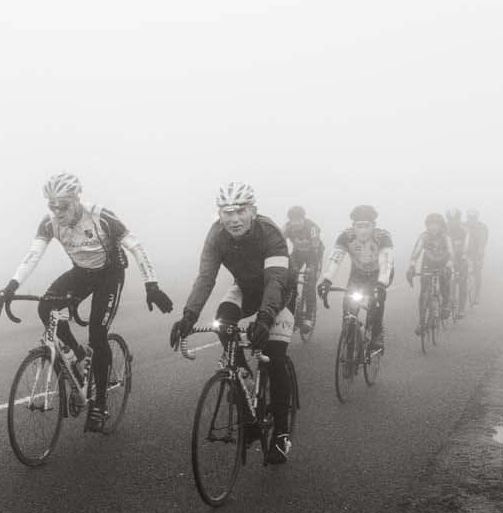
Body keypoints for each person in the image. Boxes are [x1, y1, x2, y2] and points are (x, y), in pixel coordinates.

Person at [0, 173, 174, 431]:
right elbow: (33, 255)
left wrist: (152, 285)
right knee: (45, 307)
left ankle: (100, 404)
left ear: (77, 200)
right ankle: (78, 356)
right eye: (51, 205)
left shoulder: (101, 217)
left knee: (98, 335)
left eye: (63, 205)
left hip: (109, 276)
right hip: (81, 272)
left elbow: (136, 246)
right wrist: (10, 286)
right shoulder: (50, 223)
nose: (57, 211)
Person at [168, 182, 295, 464]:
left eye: (241, 210)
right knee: (223, 321)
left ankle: (283, 435)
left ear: (253, 211)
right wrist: (188, 316)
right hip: (246, 288)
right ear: (219, 214)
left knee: (274, 358)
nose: (234, 218)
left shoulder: (269, 233)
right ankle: (242, 378)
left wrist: (264, 319)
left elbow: (275, 281)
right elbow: (205, 279)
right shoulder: (217, 235)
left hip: (280, 291)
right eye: (226, 212)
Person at [316, 204, 395, 353]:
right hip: (358, 273)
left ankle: (377, 333)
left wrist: (382, 283)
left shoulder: (383, 237)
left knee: (376, 300)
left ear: (374, 225)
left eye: (367, 225)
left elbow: (386, 262)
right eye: (359, 226)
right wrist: (327, 280)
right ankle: (350, 338)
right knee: (348, 307)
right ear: (353, 226)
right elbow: (335, 259)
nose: (363, 230)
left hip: (379, 273)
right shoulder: (346, 236)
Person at [405, 212, 457, 333]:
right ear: (427, 226)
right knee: (424, 293)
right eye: (430, 225)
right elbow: (416, 252)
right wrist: (412, 267)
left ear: (441, 226)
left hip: (444, 262)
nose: (433, 227)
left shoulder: (446, 236)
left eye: (436, 225)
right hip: (427, 263)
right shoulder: (424, 236)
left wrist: (448, 266)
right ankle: (421, 322)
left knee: (444, 281)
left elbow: (452, 255)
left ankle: (445, 304)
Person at [283, 205, 325, 334]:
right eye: (294, 220)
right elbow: (280, 242)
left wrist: (311, 269)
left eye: (299, 220)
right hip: (297, 254)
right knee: (289, 278)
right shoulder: (287, 227)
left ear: (304, 219)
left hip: (313, 254)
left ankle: (308, 317)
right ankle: (292, 307)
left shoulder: (311, 227)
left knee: (309, 283)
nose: (296, 223)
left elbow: (315, 245)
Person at [444, 208, 470, 319]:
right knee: (444, 279)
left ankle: (461, 309)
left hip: (461, 257)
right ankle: (445, 304)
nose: (452, 222)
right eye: (450, 219)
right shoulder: (444, 229)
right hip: (447, 257)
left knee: (462, 280)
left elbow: (467, 244)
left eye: (455, 220)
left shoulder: (464, 230)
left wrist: (464, 255)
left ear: (459, 220)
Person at [464, 207, 489, 303]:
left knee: (477, 272)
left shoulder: (482, 227)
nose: (471, 219)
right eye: (470, 217)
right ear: (467, 217)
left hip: (477, 252)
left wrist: (480, 254)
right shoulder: (464, 225)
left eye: (473, 217)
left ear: (477, 217)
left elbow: (483, 241)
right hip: (464, 251)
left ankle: (477, 294)